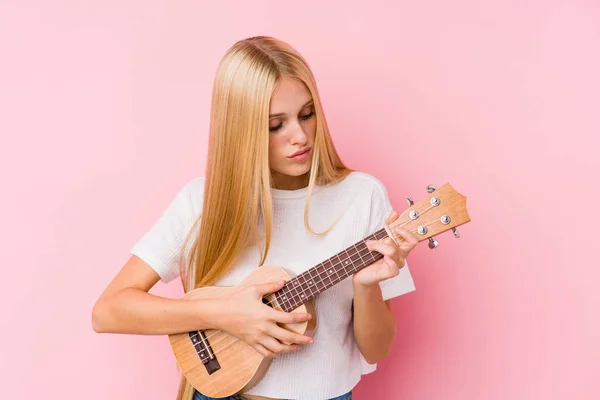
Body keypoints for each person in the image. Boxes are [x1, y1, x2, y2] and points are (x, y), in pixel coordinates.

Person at [92, 36, 418, 400]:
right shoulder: (201, 202)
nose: (300, 136)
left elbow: (377, 349)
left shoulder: (362, 197)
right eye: (275, 125)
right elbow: (108, 312)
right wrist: (223, 313)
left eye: (307, 114)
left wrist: (366, 285)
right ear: (241, 131)